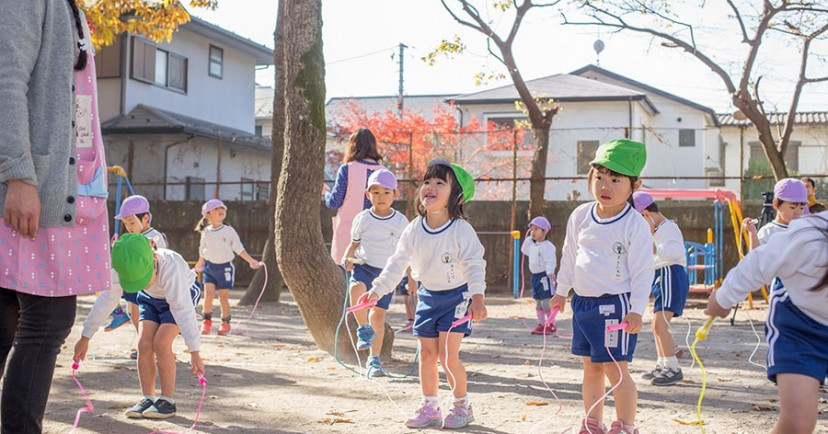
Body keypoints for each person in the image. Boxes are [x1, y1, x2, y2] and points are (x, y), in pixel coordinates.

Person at [0, 2, 112, 432]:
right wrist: (18, 176)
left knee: (9, 317)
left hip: (62, 188)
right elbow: (6, 79)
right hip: (34, 188)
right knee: (47, 320)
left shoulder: (70, 7)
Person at [360, 158, 487, 429]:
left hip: (458, 298)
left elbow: (475, 263)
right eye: (427, 181)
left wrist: (477, 297)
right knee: (427, 356)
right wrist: (377, 289)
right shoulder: (414, 228)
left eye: (440, 182)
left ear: (456, 195)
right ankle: (430, 406)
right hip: (428, 298)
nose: (430, 186)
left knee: (447, 356)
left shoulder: (461, 229)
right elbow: (397, 262)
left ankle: (462, 406)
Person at [551, 139, 654, 434]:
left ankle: (626, 425)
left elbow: (643, 270)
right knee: (591, 366)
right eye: (600, 177)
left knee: (615, 368)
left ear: (635, 185)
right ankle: (593, 422)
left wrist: (636, 310)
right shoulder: (580, 215)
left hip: (615, 307)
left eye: (615, 179)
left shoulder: (634, 223)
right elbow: (569, 255)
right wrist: (561, 291)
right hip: (583, 304)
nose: (606, 185)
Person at [706, 212, 827, 434]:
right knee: (798, 423)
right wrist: (722, 299)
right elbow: (759, 262)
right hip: (801, 326)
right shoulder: (810, 235)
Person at [74, 234, 204, 419]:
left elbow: (182, 309)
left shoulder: (171, 266)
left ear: (153, 259)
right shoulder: (121, 266)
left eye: (144, 277)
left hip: (180, 295)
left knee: (161, 342)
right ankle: (148, 398)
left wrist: (194, 351)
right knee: (143, 343)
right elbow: (106, 300)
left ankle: (167, 401)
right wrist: (85, 337)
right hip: (150, 298)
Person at [342, 169, 411, 377]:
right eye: (376, 192)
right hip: (364, 266)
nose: (381, 197)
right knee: (356, 289)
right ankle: (363, 328)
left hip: (388, 273)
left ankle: (374, 361)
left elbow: (406, 252)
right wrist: (346, 258)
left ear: (394, 195)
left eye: (386, 192)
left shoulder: (400, 222)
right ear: (367, 194)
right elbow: (353, 244)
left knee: (378, 315)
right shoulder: (362, 218)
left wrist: (410, 277)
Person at [632, 192, 689, 387]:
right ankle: (663, 364)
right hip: (661, 276)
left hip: (670, 276)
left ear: (646, 215)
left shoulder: (668, 228)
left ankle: (672, 368)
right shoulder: (657, 231)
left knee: (660, 324)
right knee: (656, 325)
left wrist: (654, 247)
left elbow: (676, 252)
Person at [194, 199, 261, 335]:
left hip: (225, 269)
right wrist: (200, 263)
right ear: (207, 214)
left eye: (222, 208)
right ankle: (206, 321)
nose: (221, 211)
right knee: (208, 295)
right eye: (216, 209)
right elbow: (203, 249)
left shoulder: (229, 231)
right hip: (209, 268)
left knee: (223, 297)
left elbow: (238, 248)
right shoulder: (205, 232)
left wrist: (251, 261)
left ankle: (225, 322)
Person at [106, 195, 169, 336]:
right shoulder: (132, 238)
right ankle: (144, 344)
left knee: (141, 316)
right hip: (136, 283)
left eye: (131, 222)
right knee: (133, 314)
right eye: (126, 223)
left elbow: (158, 258)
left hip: (150, 285)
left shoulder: (155, 236)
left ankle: (148, 346)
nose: (128, 227)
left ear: (146, 218)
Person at [324, 128, 385, 263]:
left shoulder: (347, 169)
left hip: (349, 233)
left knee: (347, 275)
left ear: (352, 146)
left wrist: (325, 192)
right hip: (377, 234)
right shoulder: (384, 172)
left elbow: (334, 202)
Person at [743, 179, 808, 293]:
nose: (798, 212)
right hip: (781, 293)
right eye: (792, 207)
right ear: (776, 204)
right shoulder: (768, 232)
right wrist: (752, 233)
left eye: (802, 208)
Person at [520, 216, 558, 335]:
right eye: (531, 229)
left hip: (544, 277)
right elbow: (524, 249)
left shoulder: (548, 246)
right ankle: (541, 324)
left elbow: (550, 260)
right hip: (535, 277)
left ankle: (551, 324)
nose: (533, 232)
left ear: (545, 231)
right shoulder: (532, 246)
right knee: (538, 301)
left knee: (546, 301)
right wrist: (529, 238)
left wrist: (550, 271)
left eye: (536, 229)